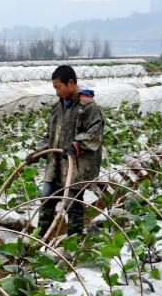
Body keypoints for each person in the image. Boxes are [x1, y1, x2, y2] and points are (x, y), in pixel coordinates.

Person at [30, 64, 105, 237]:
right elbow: (50, 135)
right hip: (55, 164)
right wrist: (37, 151)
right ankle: (41, 238)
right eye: (55, 88)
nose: (57, 92)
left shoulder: (87, 107)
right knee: (47, 199)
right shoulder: (58, 107)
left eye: (58, 87)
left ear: (70, 83)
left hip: (75, 167)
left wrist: (76, 144)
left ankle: (74, 240)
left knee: (73, 203)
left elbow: (94, 134)